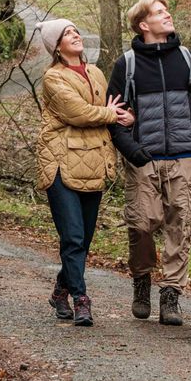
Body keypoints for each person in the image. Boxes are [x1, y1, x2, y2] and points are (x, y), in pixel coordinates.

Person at [105, 0, 191, 326]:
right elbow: (113, 116)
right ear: (143, 24)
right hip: (144, 160)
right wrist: (134, 153)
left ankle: (170, 295)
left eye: (167, 11)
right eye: (159, 12)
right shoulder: (128, 65)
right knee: (141, 224)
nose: (167, 15)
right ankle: (141, 281)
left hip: (184, 157)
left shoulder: (187, 59)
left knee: (180, 226)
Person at [36, 17, 134, 327]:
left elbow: (110, 110)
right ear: (57, 46)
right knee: (74, 236)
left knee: (84, 239)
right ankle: (81, 299)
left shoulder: (96, 73)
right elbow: (76, 112)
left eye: (76, 31)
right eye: (67, 34)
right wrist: (111, 115)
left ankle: (60, 290)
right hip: (61, 163)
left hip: (92, 162)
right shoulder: (53, 77)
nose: (75, 35)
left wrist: (124, 117)